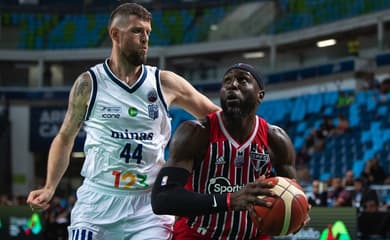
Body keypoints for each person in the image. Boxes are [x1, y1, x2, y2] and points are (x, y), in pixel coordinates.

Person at [26, 3, 220, 240]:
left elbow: (216, 117)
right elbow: (65, 137)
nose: (145, 39)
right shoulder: (89, 83)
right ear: (115, 34)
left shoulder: (165, 83)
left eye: (148, 32)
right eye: (137, 31)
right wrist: (49, 186)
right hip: (97, 203)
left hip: (148, 206)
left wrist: (259, 137)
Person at [151, 63, 309, 239]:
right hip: (199, 234)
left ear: (260, 95)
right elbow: (163, 199)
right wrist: (229, 200)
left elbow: (293, 192)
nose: (232, 84)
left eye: (242, 80)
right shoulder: (195, 132)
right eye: (227, 81)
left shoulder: (276, 140)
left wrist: (299, 212)